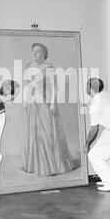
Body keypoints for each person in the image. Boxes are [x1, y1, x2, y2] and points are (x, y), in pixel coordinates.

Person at [21, 43, 76, 176]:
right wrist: (24, 99)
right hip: (33, 102)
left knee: (48, 131)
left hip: (45, 101)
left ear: (44, 53)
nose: (34, 54)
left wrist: (53, 103)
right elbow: (27, 85)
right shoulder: (29, 66)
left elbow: (54, 86)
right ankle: (36, 165)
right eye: (33, 51)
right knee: (34, 132)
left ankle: (52, 165)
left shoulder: (48, 67)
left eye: (38, 51)